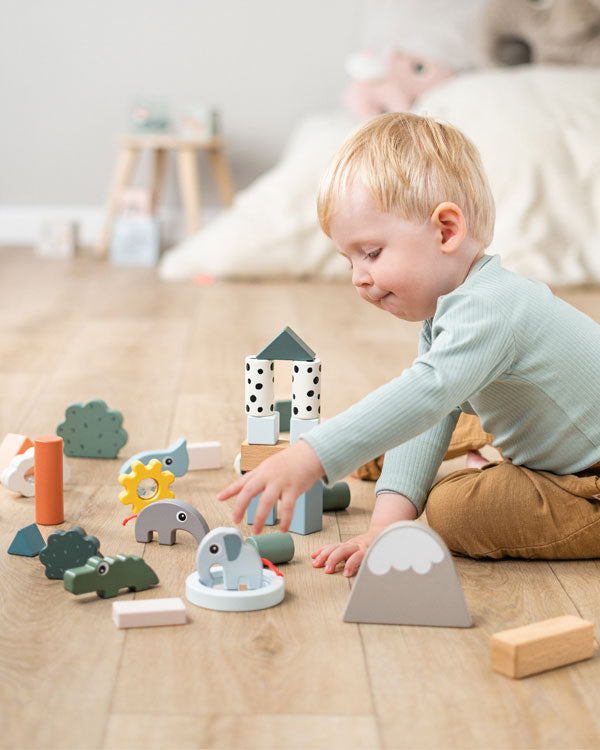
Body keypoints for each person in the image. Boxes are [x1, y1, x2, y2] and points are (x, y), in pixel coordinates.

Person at [217, 112, 600, 576]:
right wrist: (384, 527)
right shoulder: (457, 305)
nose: (359, 277)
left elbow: (427, 396)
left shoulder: (489, 310)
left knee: (452, 511)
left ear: (445, 232)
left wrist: (311, 454)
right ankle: (455, 447)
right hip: (570, 430)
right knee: (405, 425)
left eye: (372, 253)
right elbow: (430, 411)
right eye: (349, 259)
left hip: (588, 483)